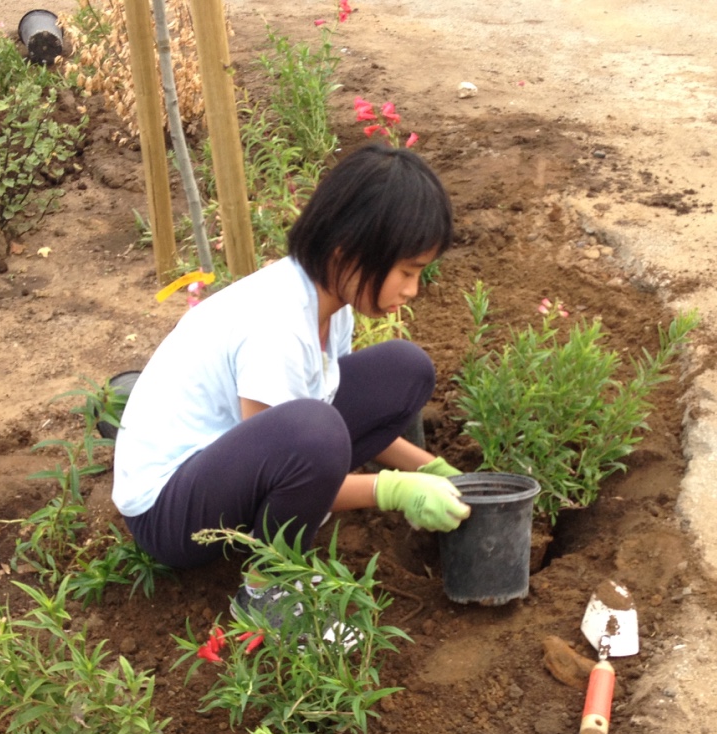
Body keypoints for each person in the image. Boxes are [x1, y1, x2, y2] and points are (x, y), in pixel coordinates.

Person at [111, 142, 470, 623]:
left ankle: (279, 563)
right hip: (169, 513)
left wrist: (437, 472)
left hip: (230, 463)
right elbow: (293, 456)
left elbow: (328, 414)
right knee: (312, 430)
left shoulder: (330, 303)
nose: (411, 290)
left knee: (405, 370)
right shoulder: (277, 324)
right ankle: (268, 593)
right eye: (407, 272)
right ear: (348, 256)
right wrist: (391, 490)